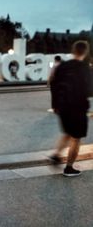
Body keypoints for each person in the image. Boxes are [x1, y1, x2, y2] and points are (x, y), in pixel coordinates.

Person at [49, 41, 91, 177]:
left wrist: (55, 105)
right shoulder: (86, 69)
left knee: (67, 132)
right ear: (85, 52)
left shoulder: (63, 66)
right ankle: (69, 168)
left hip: (63, 107)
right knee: (76, 138)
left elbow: (53, 85)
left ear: (73, 51)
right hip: (78, 108)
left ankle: (56, 154)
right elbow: (90, 90)